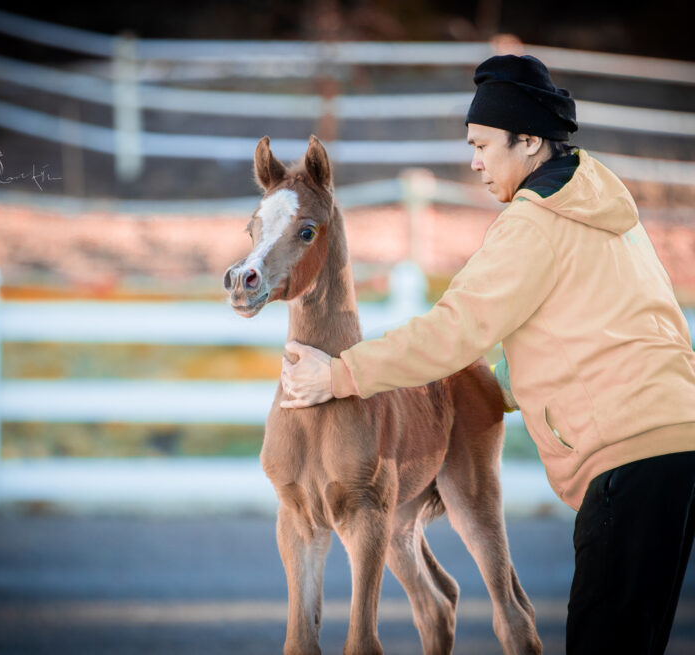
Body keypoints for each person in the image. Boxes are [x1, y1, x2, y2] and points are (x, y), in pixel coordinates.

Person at [279, 54, 695, 654]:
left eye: (482, 144)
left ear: (527, 141)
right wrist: (492, 388)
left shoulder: (534, 226)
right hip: (676, 444)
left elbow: (453, 330)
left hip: (625, 458)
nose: (473, 161)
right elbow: (610, 334)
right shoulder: (604, 207)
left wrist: (343, 374)